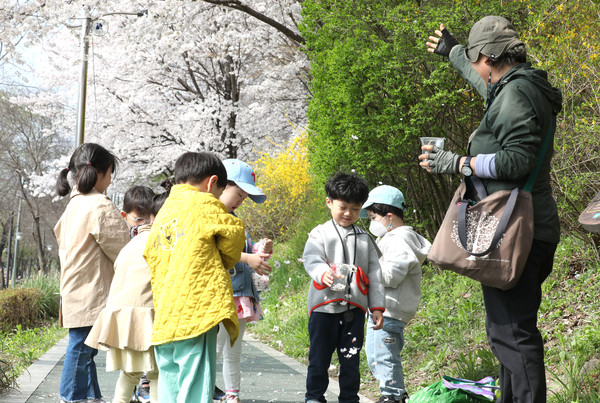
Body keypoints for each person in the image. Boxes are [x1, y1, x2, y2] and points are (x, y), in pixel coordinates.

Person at [422, 16, 562, 402]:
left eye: (475, 60)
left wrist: (458, 163)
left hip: (517, 230)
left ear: (488, 56)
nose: (479, 73)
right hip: (531, 226)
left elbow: (515, 161)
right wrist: (453, 52)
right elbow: (490, 90)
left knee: (512, 334)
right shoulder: (522, 87)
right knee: (508, 333)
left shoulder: (515, 94)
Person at [144, 151, 246, 403]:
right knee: (196, 385)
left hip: (166, 315)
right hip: (196, 310)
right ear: (211, 183)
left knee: (170, 382)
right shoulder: (204, 203)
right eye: (220, 193)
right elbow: (233, 237)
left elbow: (149, 252)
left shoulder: (165, 210)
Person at [54, 143, 130, 403]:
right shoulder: (99, 205)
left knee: (85, 348)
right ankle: (71, 397)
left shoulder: (74, 205)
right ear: (99, 173)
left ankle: (90, 397)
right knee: (82, 349)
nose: (110, 180)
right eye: (110, 173)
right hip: (91, 289)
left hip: (75, 287)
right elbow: (123, 250)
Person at [303, 172, 386, 403]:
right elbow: (311, 258)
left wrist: (377, 307)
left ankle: (350, 399)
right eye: (343, 207)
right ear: (329, 202)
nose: (349, 213)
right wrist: (322, 273)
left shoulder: (364, 238)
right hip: (324, 308)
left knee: (351, 359)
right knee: (319, 358)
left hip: (355, 310)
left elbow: (375, 274)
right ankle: (314, 397)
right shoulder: (320, 233)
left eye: (355, 208)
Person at [85, 185, 171, 403]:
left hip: (121, 318)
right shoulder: (162, 243)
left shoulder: (129, 246)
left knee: (131, 372)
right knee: (157, 373)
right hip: (146, 318)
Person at [360, 185, 431, 403]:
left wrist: (364, 268)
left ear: (389, 216)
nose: (371, 222)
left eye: (373, 217)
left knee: (385, 357)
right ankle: (392, 394)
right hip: (382, 309)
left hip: (391, 310)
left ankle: (393, 396)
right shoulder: (390, 237)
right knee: (375, 357)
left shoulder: (400, 240)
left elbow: (390, 276)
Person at [215, 159, 273, 403]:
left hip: (240, 294)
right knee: (214, 349)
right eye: (238, 194)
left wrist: (259, 250)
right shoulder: (212, 216)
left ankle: (232, 395)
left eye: (244, 197)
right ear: (220, 185)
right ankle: (205, 390)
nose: (240, 201)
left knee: (233, 351)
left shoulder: (233, 219)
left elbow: (242, 252)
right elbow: (215, 251)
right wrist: (249, 257)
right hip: (221, 294)